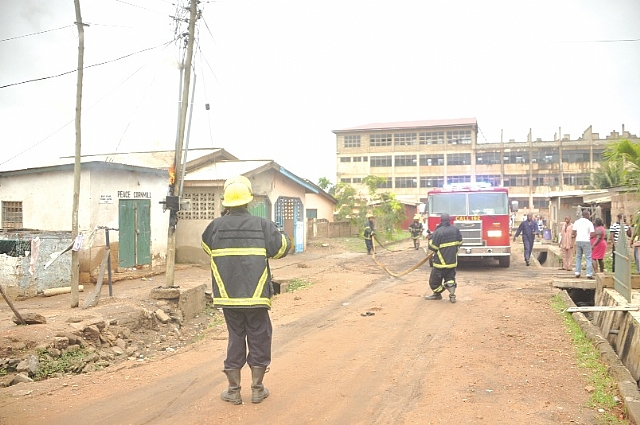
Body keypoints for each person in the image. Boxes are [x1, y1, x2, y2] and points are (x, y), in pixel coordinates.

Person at [201, 176, 291, 405]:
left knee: (235, 337)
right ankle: (257, 388)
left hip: (228, 297)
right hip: (257, 295)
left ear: (226, 203)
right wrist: (285, 237)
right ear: (248, 201)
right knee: (260, 336)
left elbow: (206, 247)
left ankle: (233, 390)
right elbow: (280, 249)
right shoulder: (262, 225)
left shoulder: (214, 227)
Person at [424, 213, 463, 303]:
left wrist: (430, 239)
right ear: (449, 220)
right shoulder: (455, 229)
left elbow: (433, 247)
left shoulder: (438, 231)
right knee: (450, 278)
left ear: (441, 220)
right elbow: (460, 242)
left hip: (440, 263)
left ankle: (437, 294)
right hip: (452, 262)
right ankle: (452, 295)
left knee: (434, 281)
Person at [572, 209, 595, 279]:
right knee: (588, 257)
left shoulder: (577, 222)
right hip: (586, 241)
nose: (589, 216)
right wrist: (588, 236)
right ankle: (589, 273)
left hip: (578, 240)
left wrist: (578, 235)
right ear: (586, 215)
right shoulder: (589, 223)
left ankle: (577, 272)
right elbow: (593, 233)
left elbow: (573, 232)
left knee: (578, 257)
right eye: (588, 214)